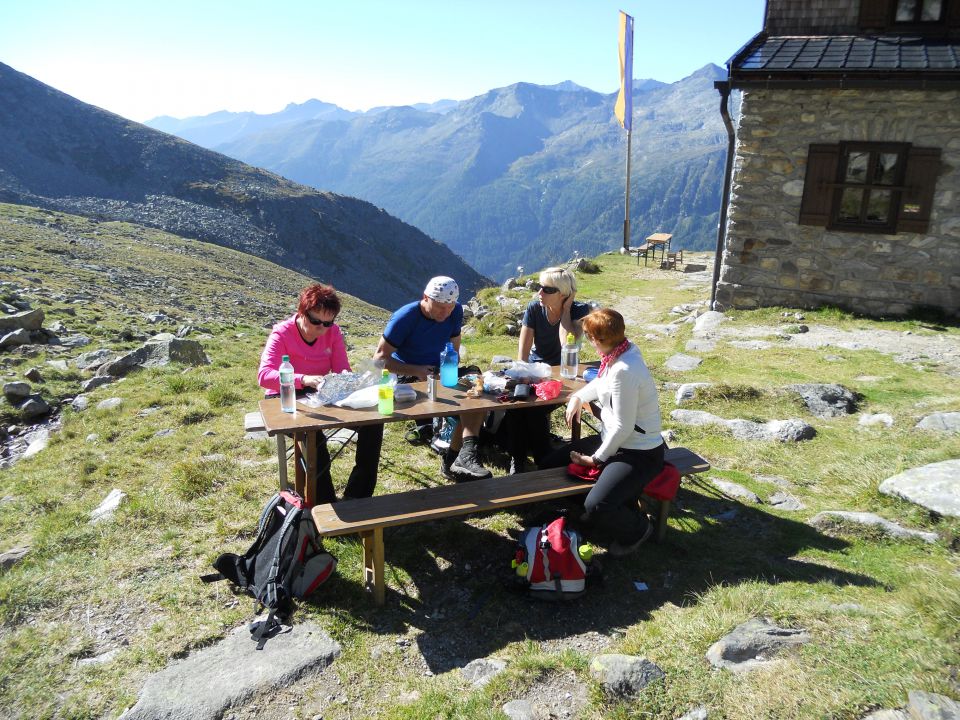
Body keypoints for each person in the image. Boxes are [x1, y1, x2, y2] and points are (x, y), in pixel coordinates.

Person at [538, 308, 664, 556]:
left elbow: (623, 426)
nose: (587, 340)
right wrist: (577, 397)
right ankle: (611, 506)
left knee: (597, 505)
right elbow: (601, 382)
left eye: (589, 336)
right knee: (549, 466)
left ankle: (638, 529)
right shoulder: (621, 351)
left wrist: (595, 459)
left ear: (598, 339)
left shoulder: (625, 370)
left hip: (637, 452)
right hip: (614, 441)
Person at [258, 283, 383, 504]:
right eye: (315, 321)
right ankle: (325, 504)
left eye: (328, 322)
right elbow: (265, 376)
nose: (322, 328)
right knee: (313, 436)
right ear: (301, 312)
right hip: (285, 395)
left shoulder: (333, 332)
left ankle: (359, 497)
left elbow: (342, 369)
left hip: (320, 392)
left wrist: (353, 381)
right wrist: (302, 379)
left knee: (372, 423)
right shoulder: (282, 333)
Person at [373, 276, 491, 482]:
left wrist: (447, 369)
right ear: (425, 298)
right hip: (407, 375)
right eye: (439, 308)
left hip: (437, 371)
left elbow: (454, 347)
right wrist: (417, 370)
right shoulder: (405, 317)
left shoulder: (455, 311)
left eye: (450, 308)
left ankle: (464, 454)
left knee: (476, 384)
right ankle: (454, 454)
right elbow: (379, 359)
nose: (445, 314)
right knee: (461, 402)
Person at [506, 267, 591, 472]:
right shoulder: (534, 308)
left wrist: (567, 310)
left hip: (563, 374)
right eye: (539, 287)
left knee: (535, 409)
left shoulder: (580, 311)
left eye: (547, 289)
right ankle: (517, 459)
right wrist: (524, 375)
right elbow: (523, 354)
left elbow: (567, 344)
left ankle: (543, 458)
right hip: (536, 371)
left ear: (563, 294)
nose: (539, 293)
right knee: (517, 406)